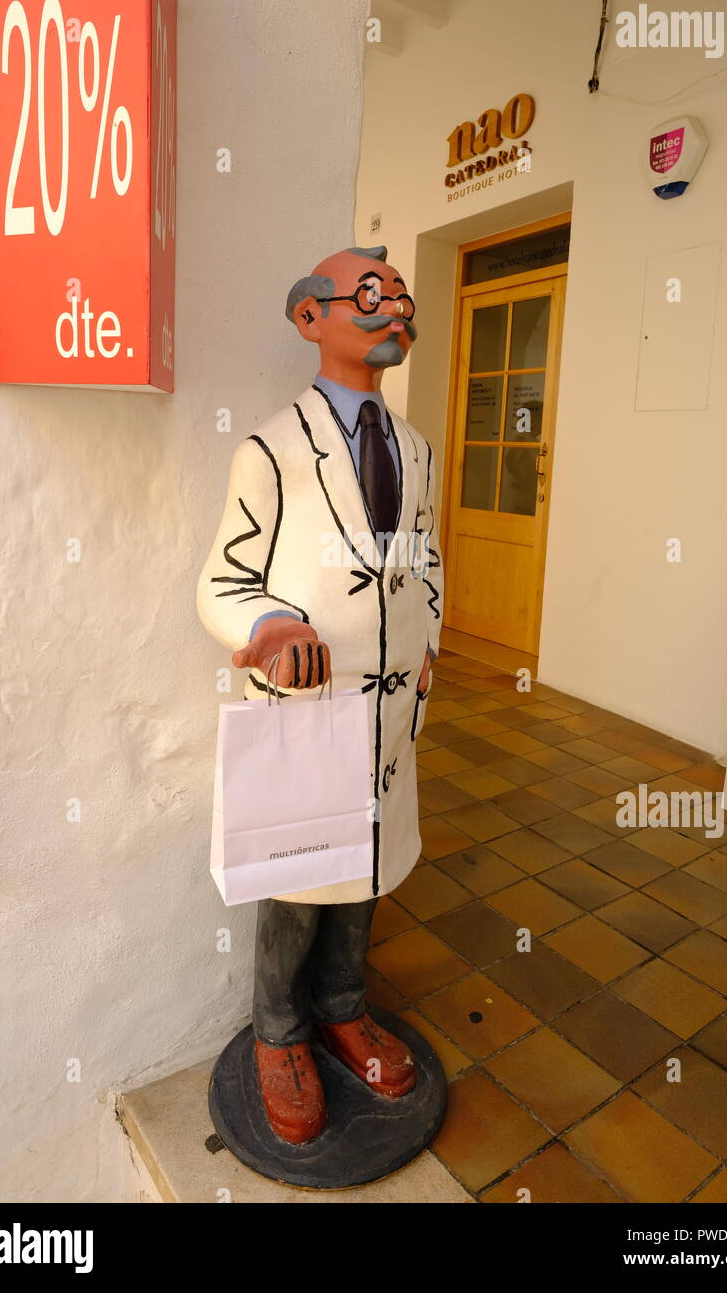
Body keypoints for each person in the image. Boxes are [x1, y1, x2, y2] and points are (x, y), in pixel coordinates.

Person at [197, 246, 443, 1144]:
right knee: (300, 877)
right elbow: (222, 581)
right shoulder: (270, 448)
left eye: (402, 300)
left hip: (387, 707)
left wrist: (428, 643)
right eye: (370, 297)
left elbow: (426, 556)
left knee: (369, 865)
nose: (394, 313)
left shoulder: (415, 449)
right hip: (308, 705)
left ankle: (344, 1007)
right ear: (311, 318)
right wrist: (265, 629)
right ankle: (279, 1033)